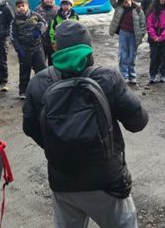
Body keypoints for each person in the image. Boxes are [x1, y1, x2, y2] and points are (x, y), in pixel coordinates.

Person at [22, 20, 149, 228]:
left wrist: (60, 144)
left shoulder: (39, 82)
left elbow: (30, 128)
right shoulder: (107, 77)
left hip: (63, 180)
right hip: (107, 180)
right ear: (88, 46)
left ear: (56, 47)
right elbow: (138, 122)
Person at [11, 0, 48, 99]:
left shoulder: (35, 15)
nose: (21, 8)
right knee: (24, 71)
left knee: (41, 69)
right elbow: (13, 36)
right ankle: (23, 91)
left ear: (27, 6)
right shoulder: (14, 21)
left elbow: (45, 23)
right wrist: (18, 49)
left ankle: (43, 88)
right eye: (18, 6)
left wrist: (39, 30)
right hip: (24, 50)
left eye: (23, 5)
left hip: (37, 48)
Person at [109, 0, 147, 85]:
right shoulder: (119, 8)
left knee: (132, 55)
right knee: (123, 55)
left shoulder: (138, 9)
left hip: (134, 35)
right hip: (123, 33)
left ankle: (132, 75)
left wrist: (141, 34)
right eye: (125, 2)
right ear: (121, 3)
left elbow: (143, 24)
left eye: (128, 1)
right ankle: (124, 76)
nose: (128, 3)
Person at [35, 0, 59, 66]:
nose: (48, 0)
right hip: (41, 42)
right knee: (40, 64)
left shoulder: (57, 9)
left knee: (53, 64)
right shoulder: (38, 9)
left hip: (53, 41)